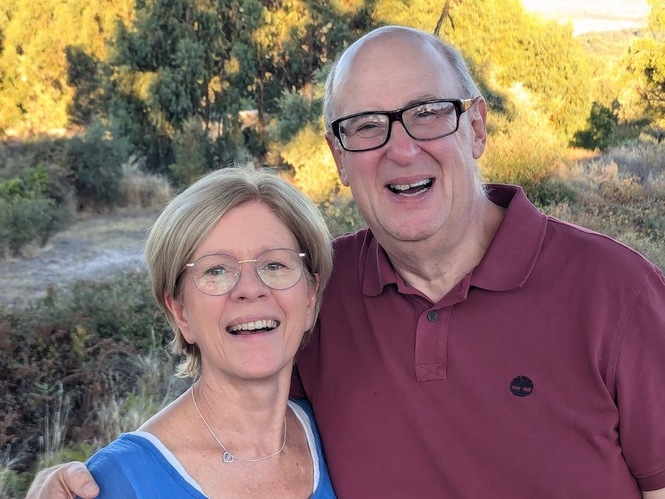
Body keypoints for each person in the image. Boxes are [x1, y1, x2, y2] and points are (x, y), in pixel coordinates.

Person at [27, 25, 665, 499]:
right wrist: (94, 476)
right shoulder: (317, 293)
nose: (401, 149)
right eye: (365, 126)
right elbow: (225, 401)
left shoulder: (615, 291)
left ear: (476, 127)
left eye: (427, 114)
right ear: (337, 156)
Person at [30, 165, 335, 498]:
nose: (250, 289)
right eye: (216, 270)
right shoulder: (120, 483)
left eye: (274, 264)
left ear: (309, 297)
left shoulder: (334, 436)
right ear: (180, 312)